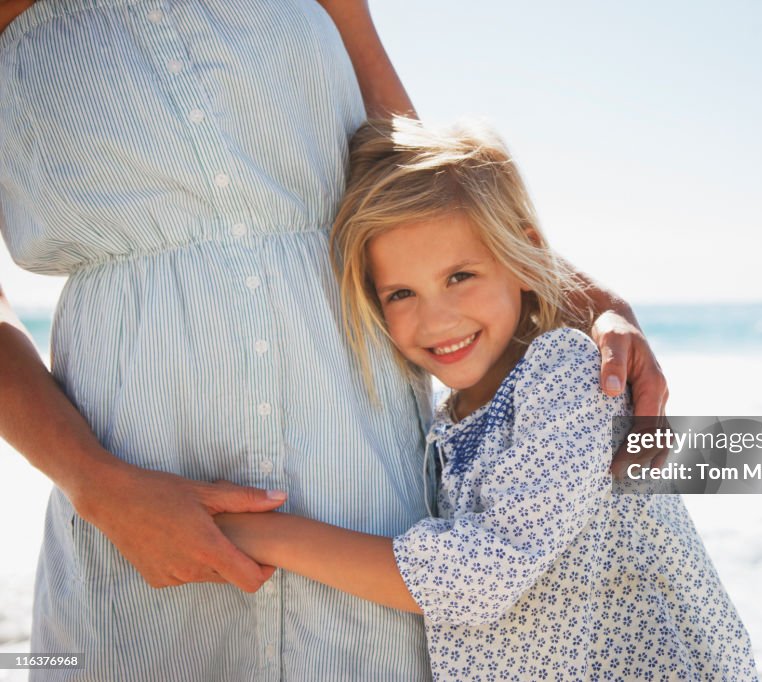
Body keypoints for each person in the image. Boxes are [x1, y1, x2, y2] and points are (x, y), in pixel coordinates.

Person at [0, 2, 667, 680]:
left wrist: (567, 293)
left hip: (366, 471)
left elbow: (409, 160)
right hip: (136, 480)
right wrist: (95, 484)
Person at [214, 117, 758, 681]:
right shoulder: (449, 419)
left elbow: (483, 572)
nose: (436, 319)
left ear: (522, 256)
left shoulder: (565, 372)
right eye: (401, 293)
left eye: (459, 276)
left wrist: (258, 532)